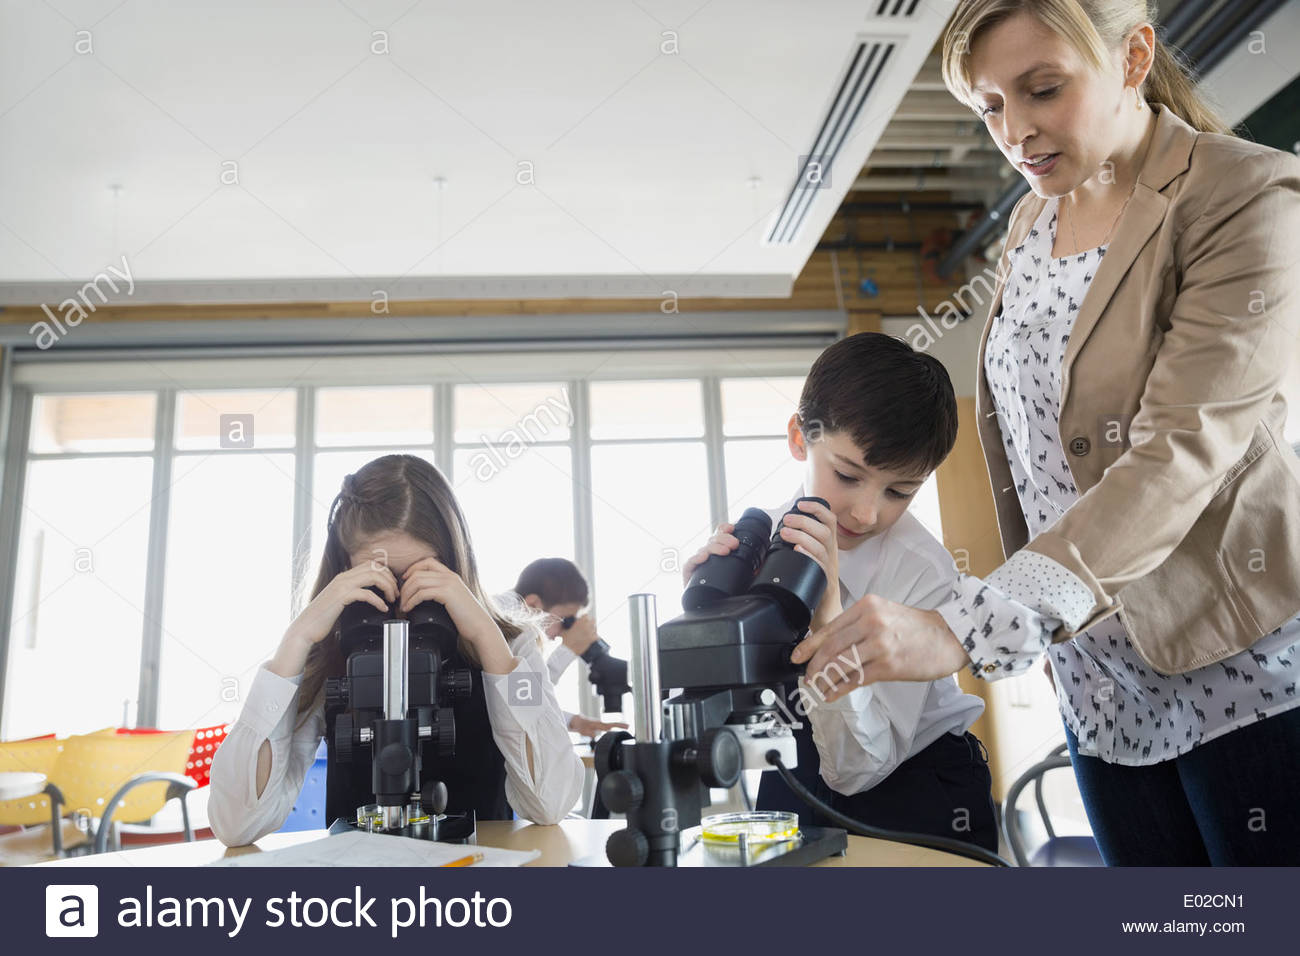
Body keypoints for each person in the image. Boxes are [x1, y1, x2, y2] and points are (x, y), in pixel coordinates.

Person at [797, 0, 1300, 865]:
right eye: (990, 107)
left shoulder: (1242, 195)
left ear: (1135, 56)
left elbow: (1179, 455)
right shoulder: (1035, 220)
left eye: (1042, 90)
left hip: (1243, 673)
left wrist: (967, 626)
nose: (1015, 132)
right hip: (1101, 688)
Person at [682, 333, 996, 851]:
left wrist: (828, 619)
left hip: (916, 792)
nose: (867, 513)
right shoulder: (765, 541)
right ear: (800, 438)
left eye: (900, 491)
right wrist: (710, 624)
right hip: (795, 777)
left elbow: (859, 772)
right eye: (848, 475)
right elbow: (738, 716)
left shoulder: (922, 571)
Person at [207, 455, 584, 846]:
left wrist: (488, 640)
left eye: (425, 575)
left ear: (454, 564)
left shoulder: (510, 647)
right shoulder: (328, 654)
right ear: (344, 573)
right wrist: (298, 639)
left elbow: (551, 802)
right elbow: (237, 825)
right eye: (378, 578)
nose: (403, 598)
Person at [496, 557, 628, 738]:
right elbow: (526, 701)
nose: (561, 633)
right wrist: (568, 649)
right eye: (565, 620)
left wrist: (574, 722)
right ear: (533, 604)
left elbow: (520, 697)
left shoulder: (507, 611)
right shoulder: (507, 622)